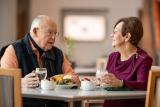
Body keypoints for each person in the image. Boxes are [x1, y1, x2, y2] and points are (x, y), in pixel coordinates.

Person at [1, 15, 80, 107]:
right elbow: (4, 83)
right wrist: (22, 82)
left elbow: (75, 79)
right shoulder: (13, 50)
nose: (54, 37)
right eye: (50, 32)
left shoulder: (58, 53)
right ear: (35, 31)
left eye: (55, 33)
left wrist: (62, 80)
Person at [101, 17, 152, 107]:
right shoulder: (112, 57)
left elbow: (143, 85)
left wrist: (121, 83)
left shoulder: (143, 59)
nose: (111, 35)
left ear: (127, 37)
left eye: (115, 32)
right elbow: (107, 83)